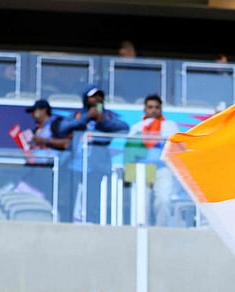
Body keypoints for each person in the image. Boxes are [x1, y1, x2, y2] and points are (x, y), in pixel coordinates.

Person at [57, 86, 128, 224]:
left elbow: (123, 127)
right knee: (69, 199)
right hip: (74, 166)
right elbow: (62, 128)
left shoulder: (107, 116)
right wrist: (86, 117)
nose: (96, 99)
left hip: (96, 167)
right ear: (86, 99)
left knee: (93, 200)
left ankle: (92, 224)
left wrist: (102, 121)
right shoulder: (78, 115)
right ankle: (67, 224)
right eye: (93, 96)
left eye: (99, 96)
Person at [126, 95, 181, 227]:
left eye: (157, 107)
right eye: (150, 107)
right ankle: (141, 231)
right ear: (145, 109)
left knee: (163, 200)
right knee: (142, 203)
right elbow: (129, 151)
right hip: (142, 169)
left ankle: (161, 230)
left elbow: (175, 147)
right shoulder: (137, 127)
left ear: (161, 109)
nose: (153, 110)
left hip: (163, 168)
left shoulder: (170, 126)